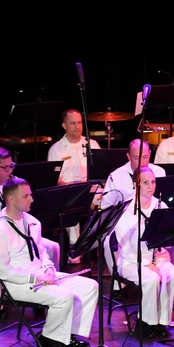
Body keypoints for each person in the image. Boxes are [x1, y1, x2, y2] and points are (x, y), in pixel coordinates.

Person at [0, 177, 99, 347]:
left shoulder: (32, 222)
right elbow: (2, 271)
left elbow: (41, 252)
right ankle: (49, 339)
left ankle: (68, 335)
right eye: (26, 196)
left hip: (41, 276)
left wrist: (48, 268)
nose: (31, 199)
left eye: (30, 195)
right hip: (18, 283)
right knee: (64, 297)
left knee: (90, 286)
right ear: (11, 200)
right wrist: (35, 278)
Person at [0, 146, 61, 303]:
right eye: (5, 167)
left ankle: (49, 286)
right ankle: (0, 301)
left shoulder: (15, 185)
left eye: (11, 166)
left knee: (52, 247)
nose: (10, 171)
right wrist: (1, 239)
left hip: (20, 236)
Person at [110, 166, 174, 337]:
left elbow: (168, 236)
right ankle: (144, 323)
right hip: (131, 261)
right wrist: (146, 264)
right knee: (152, 279)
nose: (151, 186)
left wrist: (161, 256)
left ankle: (161, 322)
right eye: (145, 182)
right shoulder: (125, 210)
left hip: (158, 258)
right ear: (136, 185)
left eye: (153, 182)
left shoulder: (160, 205)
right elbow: (125, 246)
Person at [47, 108, 101, 263]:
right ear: (64, 125)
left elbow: (101, 172)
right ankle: (75, 248)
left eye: (79, 122)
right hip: (69, 190)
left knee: (111, 202)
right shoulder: (56, 149)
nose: (77, 126)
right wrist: (72, 189)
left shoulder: (92, 144)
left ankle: (100, 241)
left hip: (92, 188)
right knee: (71, 205)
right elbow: (56, 180)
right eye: (73, 123)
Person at [99, 139, 166, 210]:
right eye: (137, 158)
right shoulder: (116, 176)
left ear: (150, 153)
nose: (141, 162)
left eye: (145, 157)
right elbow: (106, 207)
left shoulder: (159, 172)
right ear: (129, 156)